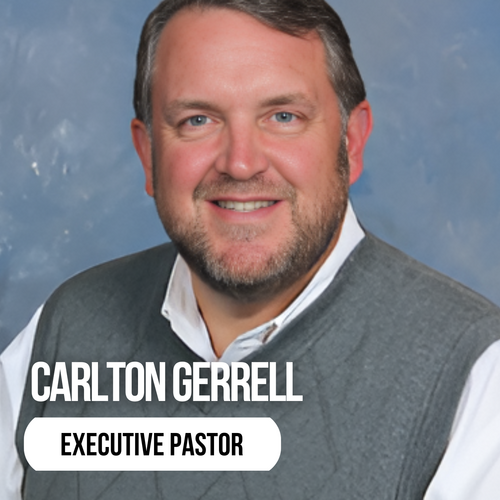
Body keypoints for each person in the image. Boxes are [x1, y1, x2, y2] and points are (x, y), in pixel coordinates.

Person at [1, 0, 500, 498]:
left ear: (351, 142)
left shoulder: (475, 376)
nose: (240, 163)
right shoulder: (65, 329)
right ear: (149, 154)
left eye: (283, 116)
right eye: (198, 120)